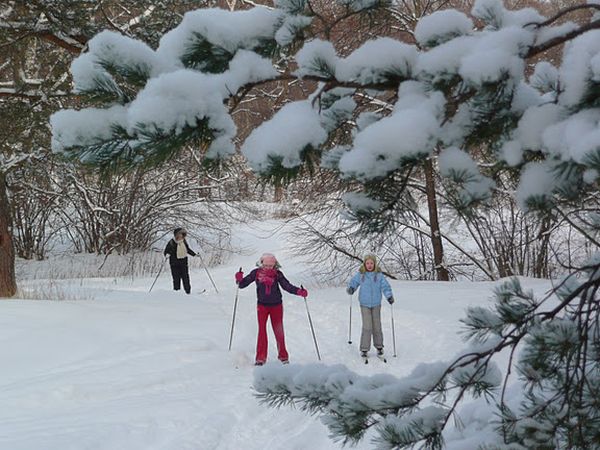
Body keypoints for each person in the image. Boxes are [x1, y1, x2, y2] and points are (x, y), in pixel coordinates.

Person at [235, 253, 308, 366]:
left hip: (276, 306)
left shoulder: (277, 274)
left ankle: (283, 357)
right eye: (266, 265)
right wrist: (239, 279)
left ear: (275, 265)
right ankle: (260, 359)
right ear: (261, 263)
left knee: (279, 331)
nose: (268, 267)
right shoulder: (256, 273)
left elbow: (287, 286)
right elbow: (242, 284)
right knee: (262, 331)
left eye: (271, 265)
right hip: (262, 306)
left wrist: (299, 291)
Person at [346, 254, 394, 358]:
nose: (369, 265)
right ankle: (364, 348)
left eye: (371, 263)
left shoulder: (379, 275)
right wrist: (351, 288)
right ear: (365, 264)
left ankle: (379, 346)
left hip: (376, 304)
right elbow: (353, 282)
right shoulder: (361, 274)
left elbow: (385, 287)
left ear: (374, 264)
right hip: (364, 304)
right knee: (367, 326)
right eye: (367, 263)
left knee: (377, 326)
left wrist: (389, 296)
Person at [164, 228, 197, 294]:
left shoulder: (184, 241)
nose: (181, 235)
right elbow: (166, 251)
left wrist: (194, 255)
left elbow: (187, 249)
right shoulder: (171, 242)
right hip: (174, 263)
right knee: (176, 279)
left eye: (182, 234)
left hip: (183, 262)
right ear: (176, 235)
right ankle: (177, 294)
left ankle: (188, 292)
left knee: (186, 279)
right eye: (180, 234)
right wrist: (167, 254)